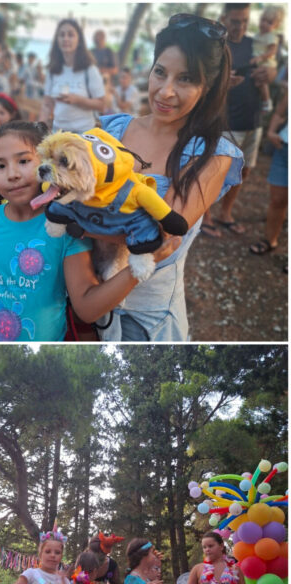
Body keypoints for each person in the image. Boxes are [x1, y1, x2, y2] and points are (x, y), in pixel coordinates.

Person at [91, 13, 243, 340]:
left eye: (185, 79)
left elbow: (162, 236)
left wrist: (75, 215)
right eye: (160, 72)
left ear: (208, 87)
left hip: (146, 321)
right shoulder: (111, 129)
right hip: (82, 300)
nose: (165, 91)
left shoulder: (212, 154)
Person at [0, 121, 179, 341]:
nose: (12, 174)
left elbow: (87, 308)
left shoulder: (66, 227)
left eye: (23, 161)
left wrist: (144, 262)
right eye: (0, 166)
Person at [203, 4, 275, 237]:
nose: (240, 26)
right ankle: (204, 215)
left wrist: (271, 74)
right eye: (235, 21)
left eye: (245, 21)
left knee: (244, 171)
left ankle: (226, 212)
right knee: (214, 171)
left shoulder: (255, 44)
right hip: (225, 121)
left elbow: (271, 68)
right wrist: (223, 80)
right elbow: (201, 81)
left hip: (253, 119)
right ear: (224, 18)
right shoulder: (216, 46)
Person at [39, 19, 106, 134]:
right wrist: (37, 130)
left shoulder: (89, 70)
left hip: (84, 134)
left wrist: (78, 100)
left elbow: (102, 105)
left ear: (78, 40)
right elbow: (47, 104)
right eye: (62, 35)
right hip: (58, 133)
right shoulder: (52, 70)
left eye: (70, 35)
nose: (65, 38)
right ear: (57, 40)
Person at [249, 83, 287, 259]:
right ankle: (270, 240)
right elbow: (281, 111)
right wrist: (271, 131)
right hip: (284, 147)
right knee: (278, 200)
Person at [250, 6, 283, 112]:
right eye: (263, 20)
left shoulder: (270, 36)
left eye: (269, 22)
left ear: (275, 26)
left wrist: (260, 57)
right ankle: (263, 101)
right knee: (258, 81)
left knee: (260, 80)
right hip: (259, 62)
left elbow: (272, 51)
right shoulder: (257, 35)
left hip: (266, 63)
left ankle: (267, 101)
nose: (264, 24)